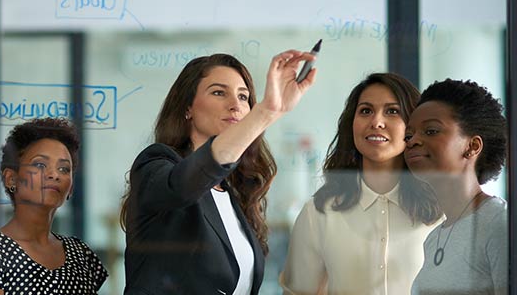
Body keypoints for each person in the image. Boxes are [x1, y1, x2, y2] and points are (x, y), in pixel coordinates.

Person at [120, 51, 317, 295]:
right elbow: (186, 183)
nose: (235, 104)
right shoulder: (155, 164)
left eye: (243, 97)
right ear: (187, 108)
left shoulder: (233, 192)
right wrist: (267, 111)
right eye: (218, 92)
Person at [279, 73, 443, 295]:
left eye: (392, 111)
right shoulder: (318, 212)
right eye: (366, 111)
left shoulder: (442, 210)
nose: (376, 121)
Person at [0, 117, 108, 295]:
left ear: (71, 187)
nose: (54, 175)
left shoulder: (81, 254)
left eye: (64, 169)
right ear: (11, 178)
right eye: (40, 164)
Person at [406, 79, 508, 295]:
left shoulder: (500, 223)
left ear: (472, 146)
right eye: (409, 134)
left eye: (431, 131)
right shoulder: (433, 238)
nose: (413, 141)